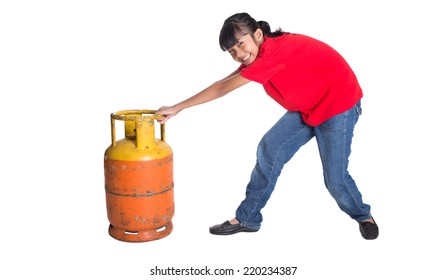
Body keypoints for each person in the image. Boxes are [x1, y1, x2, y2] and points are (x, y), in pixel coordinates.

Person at [156, 12, 379, 240]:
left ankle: (363, 216)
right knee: (270, 148)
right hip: (310, 104)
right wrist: (178, 106)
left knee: (335, 179)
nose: (239, 54)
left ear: (258, 34)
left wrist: (179, 107)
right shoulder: (262, 52)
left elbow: (222, 89)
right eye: (232, 51)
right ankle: (248, 218)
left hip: (337, 105)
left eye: (241, 44)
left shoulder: (272, 54)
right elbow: (223, 82)